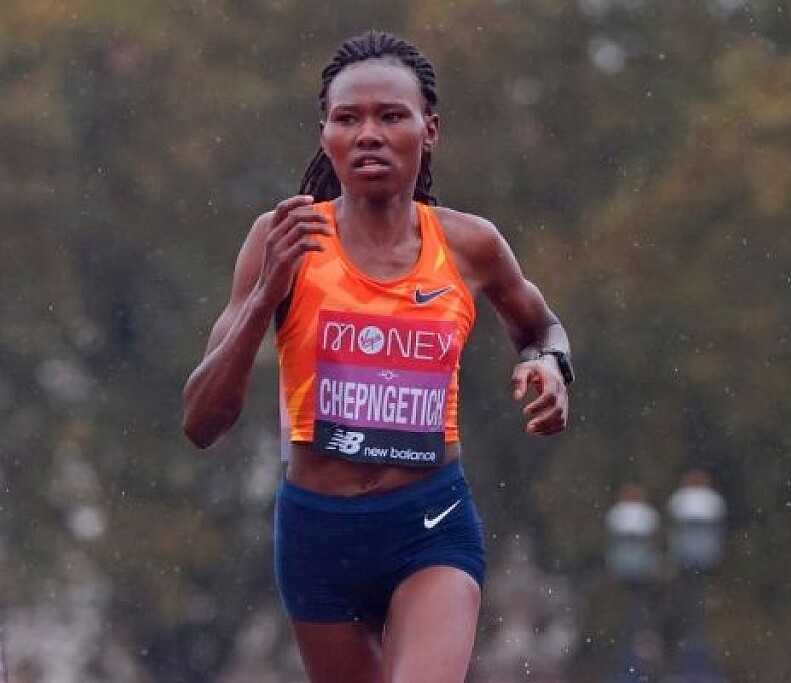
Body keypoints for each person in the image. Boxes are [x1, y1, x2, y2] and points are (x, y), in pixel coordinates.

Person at [182, 29, 573, 683]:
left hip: (430, 521)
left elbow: (542, 327)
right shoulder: (282, 239)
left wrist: (551, 365)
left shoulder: (470, 246)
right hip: (318, 533)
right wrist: (266, 296)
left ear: (429, 130)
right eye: (348, 118)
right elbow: (202, 421)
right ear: (325, 133)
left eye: (391, 116)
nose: (369, 134)